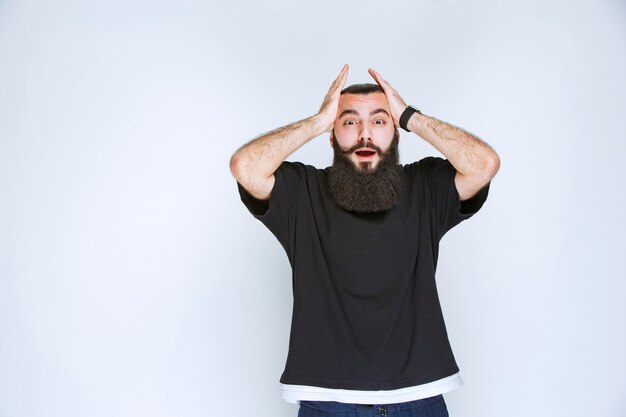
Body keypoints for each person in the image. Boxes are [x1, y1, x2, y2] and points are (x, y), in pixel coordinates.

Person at [230, 65, 500, 417]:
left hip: (420, 399)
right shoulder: (302, 193)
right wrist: (316, 121)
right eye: (349, 121)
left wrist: (409, 116)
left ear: (396, 133)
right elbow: (244, 166)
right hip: (326, 402)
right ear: (332, 134)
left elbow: (484, 163)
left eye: (378, 121)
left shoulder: (425, 186)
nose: (364, 134)